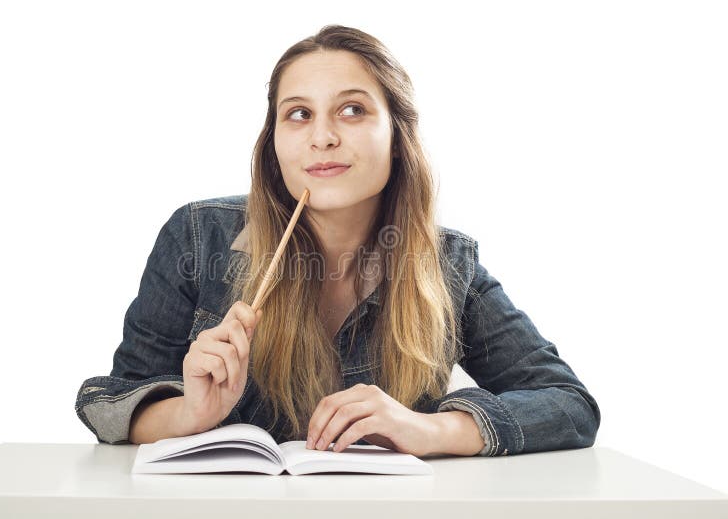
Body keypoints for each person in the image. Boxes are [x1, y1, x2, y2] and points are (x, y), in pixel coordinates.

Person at [75, 25, 600, 457]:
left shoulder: (445, 262)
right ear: (275, 144)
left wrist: (430, 429)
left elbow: (568, 404)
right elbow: (108, 403)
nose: (322, 137)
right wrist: (190, 412)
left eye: (352, 110)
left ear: (398, 137)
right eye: (298, 114)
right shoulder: (197, 236)